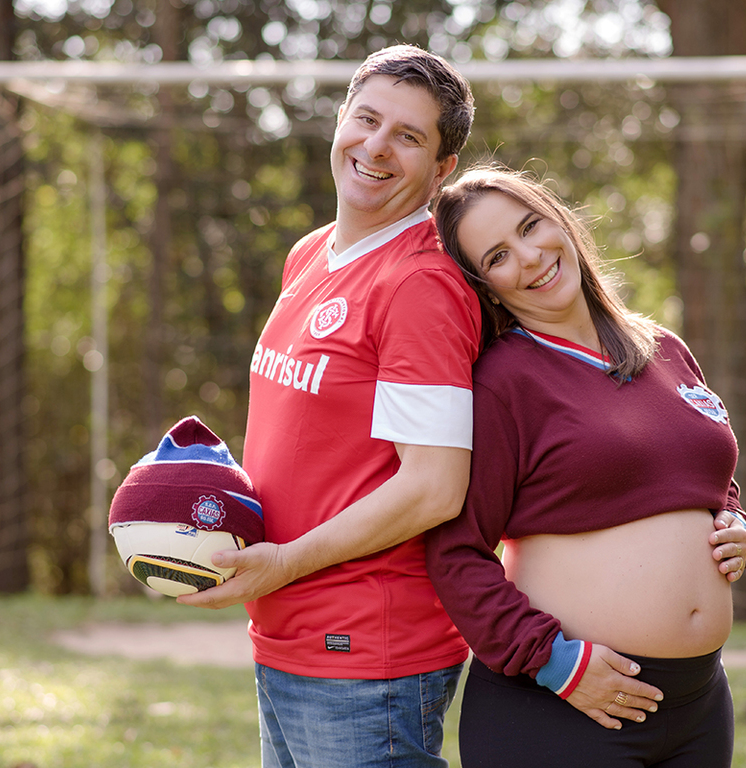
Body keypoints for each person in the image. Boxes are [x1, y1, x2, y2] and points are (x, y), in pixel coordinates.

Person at [178, 46, 480, 768]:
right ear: (340, 121)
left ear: (442, 172)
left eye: (408, 136)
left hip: (365, 658)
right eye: (367, 119)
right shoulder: (311, 253)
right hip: (287, 637)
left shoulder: (420, 284)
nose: (376, 146)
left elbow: (434, 485)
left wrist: (285, 563)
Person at [425, 166, 746, 768]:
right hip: (564, 709)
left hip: (699, 704)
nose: (530, 256)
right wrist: (554, 663)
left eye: (531, 226)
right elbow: (454, 551)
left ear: (560, 221)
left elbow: (705, 476)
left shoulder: (666, 349)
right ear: (487, 287)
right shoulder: (502, 382)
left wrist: (737, 526)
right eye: (498, 256)